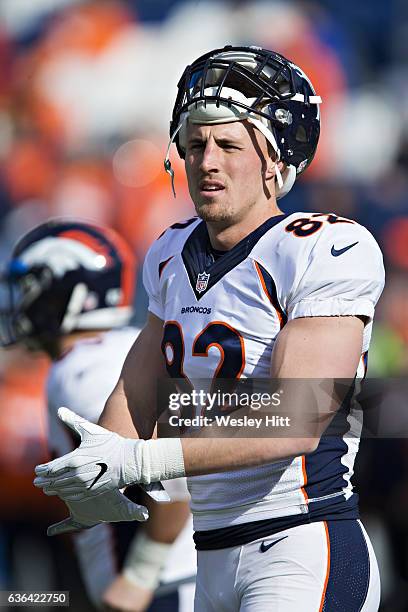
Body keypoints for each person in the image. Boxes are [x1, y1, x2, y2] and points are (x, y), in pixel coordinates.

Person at [34, 46, 385, 611]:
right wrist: (98, 460)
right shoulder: (171, 253)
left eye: (227, 144)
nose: (206, 162)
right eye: (194, 145)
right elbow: (140, 387)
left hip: (299, 541)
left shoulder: (324, 246)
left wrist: (145, 462)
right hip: (211, 555)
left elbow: (297, 417)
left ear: (274, 159)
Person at [0, 219, 196, 611]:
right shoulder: (120, 347)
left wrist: (140, 574)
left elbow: (174, 467)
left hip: (163, 586)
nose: (20, 301)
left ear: (70, 292)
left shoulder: (83, 371)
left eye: (31, 286)